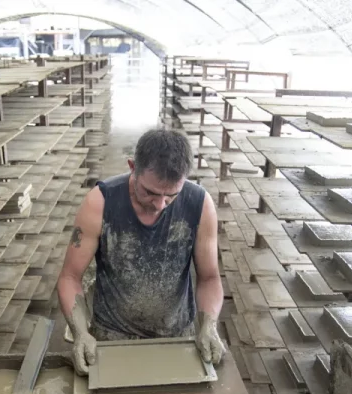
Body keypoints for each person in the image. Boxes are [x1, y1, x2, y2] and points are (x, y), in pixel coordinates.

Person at [56, 128, 225, 375]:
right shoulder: (100, 202)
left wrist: (208, 325)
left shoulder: (199, 204)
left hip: (177, 335)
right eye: (150, 192)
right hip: (111, 334)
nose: (160, 205)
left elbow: (209, 278)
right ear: (132, 167)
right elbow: (70, 277)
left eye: (171, 196)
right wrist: (80, 333)